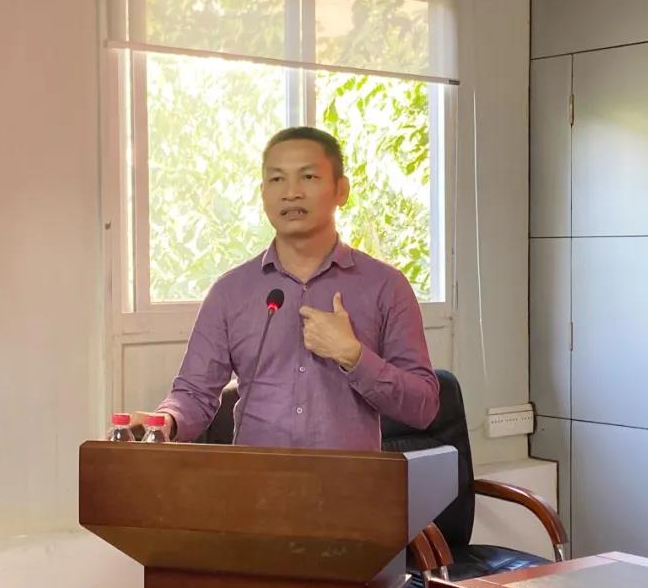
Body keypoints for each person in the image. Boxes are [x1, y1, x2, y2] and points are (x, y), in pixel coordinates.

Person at [130, 126, 439, 451]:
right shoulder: (230, 292)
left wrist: (353, 355)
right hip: (256, 479)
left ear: (341, 190)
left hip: (349, 480)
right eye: (277, 179)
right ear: (263, 193)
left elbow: (424, 407)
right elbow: (194, 393)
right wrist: (165, 421)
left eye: (308, 177)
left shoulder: (386, 286)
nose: (291, 193)